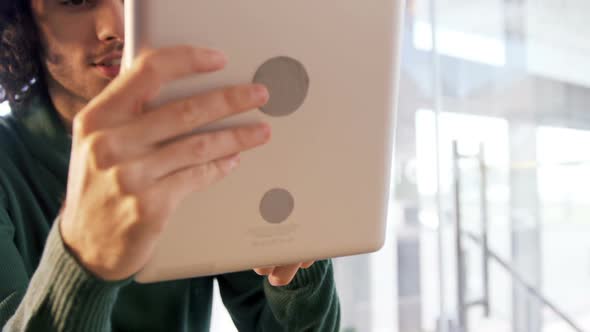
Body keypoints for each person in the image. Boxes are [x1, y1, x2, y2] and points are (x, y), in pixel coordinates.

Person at [0, 1, 340, 331]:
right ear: (20, 17)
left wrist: (297, 258)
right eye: (75, 1)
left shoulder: (205, 136)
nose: (115, 28)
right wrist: (83, 261)